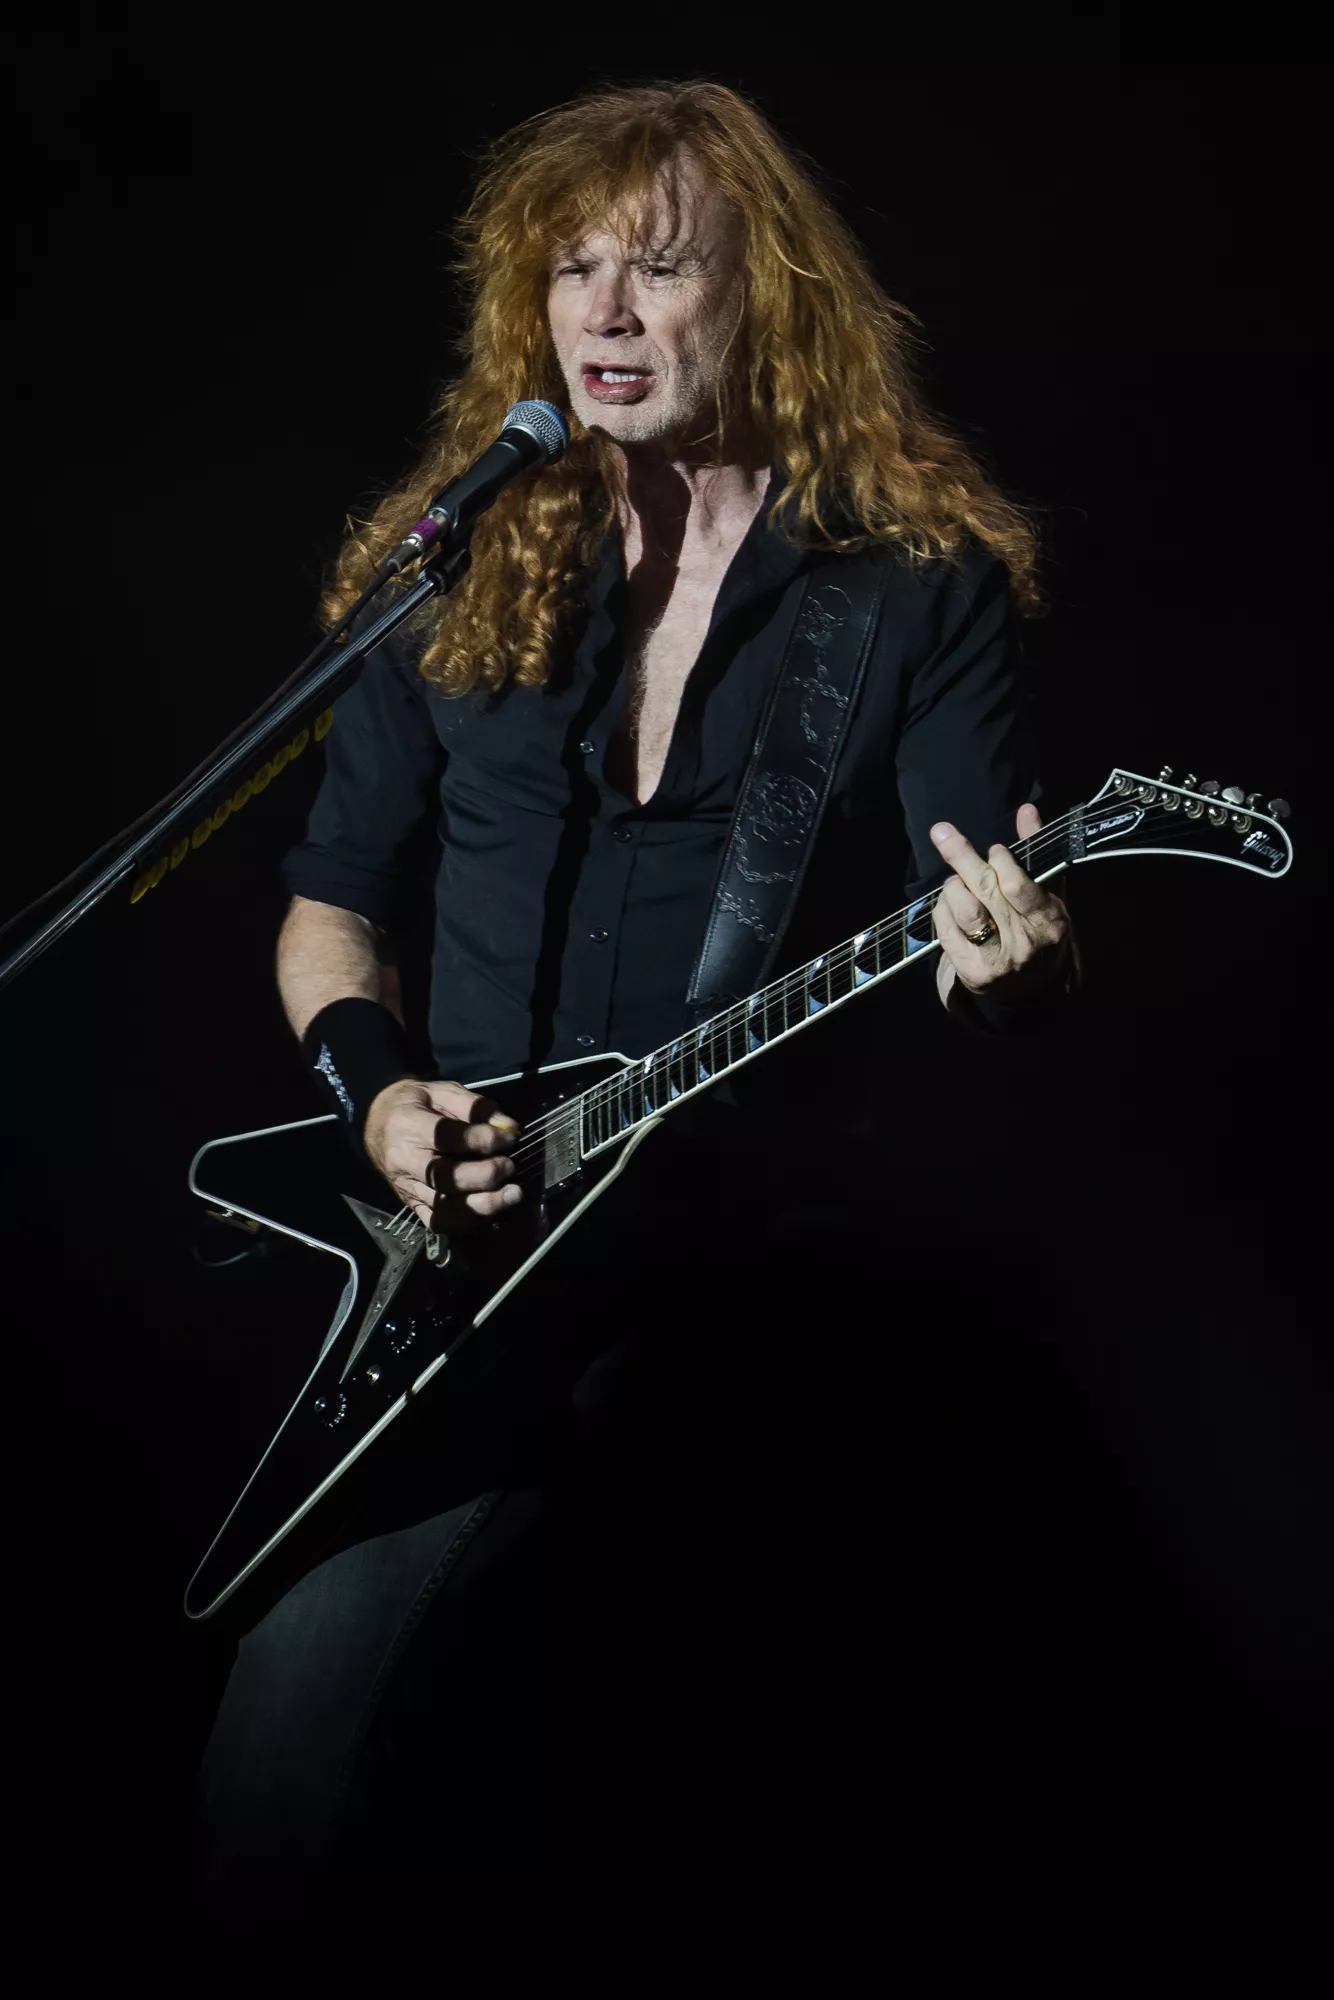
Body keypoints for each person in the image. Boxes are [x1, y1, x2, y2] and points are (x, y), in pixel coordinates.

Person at [198, 79, 1077, 1901]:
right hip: (456, 1277)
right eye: (569, 267)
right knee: (287, 1753)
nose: (599, 312)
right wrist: (380, 1098)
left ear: (764, 294)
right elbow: (331, 904)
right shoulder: (459, 568)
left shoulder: (909, 588)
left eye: (657, 268)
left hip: (743, 1280)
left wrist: (1009, 967)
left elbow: (971, 909)